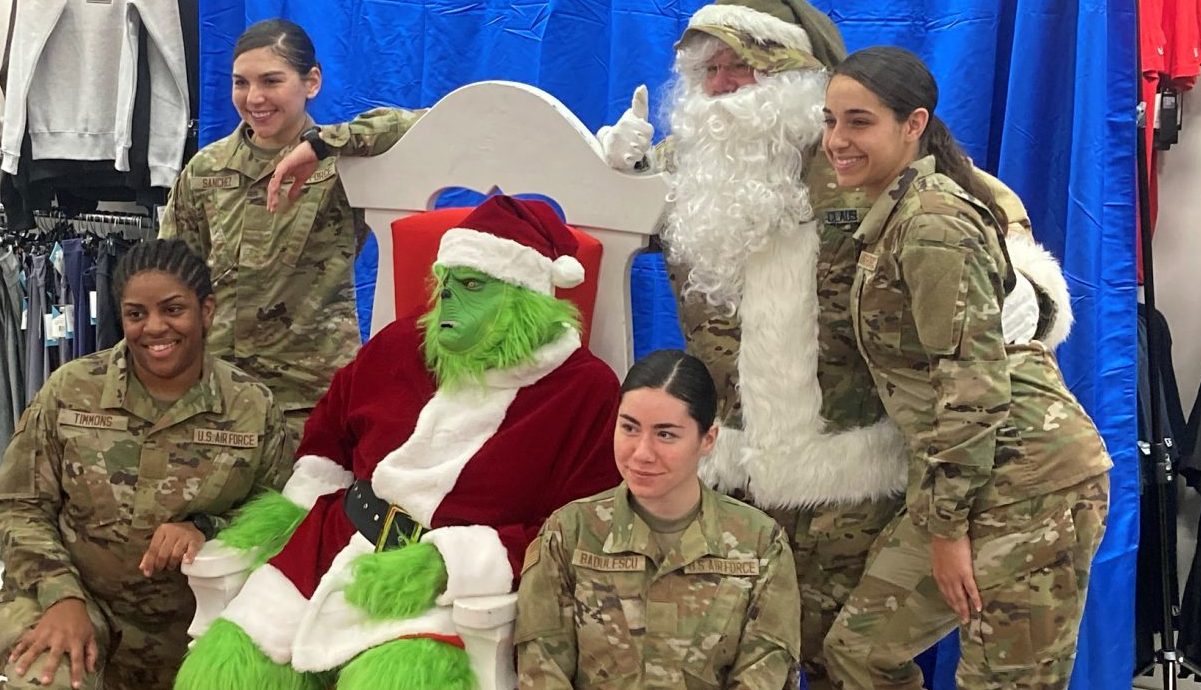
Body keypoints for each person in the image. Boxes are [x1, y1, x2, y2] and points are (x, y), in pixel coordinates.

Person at [594, 1, 1075, 685]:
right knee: (781, 645)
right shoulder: (686, 168)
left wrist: (1024, 288)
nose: (726, 84)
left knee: (853, 654)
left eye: (747, 66)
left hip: (854, 470)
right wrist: (607, 169)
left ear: (798, 74)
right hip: (743, 470)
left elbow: (987, 219)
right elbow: (506, 152)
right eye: (713, 68)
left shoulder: (862, 158)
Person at [174, 195, 623, 690]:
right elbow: (329, 436)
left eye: (473, 286)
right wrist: (298, 509)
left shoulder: (585, 392)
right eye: (445, 284)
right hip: (330, 544)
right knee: (222, 673)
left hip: (447, 593)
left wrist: (452, 564)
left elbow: (579, 532)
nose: (448, 301)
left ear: (527, 296)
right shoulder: (399, 345)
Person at [818, 46, 1113, 689]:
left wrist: (947, 532)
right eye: (830, 119)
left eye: (858, 121)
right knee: (858, 654)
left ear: (914, 124)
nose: (836, 139)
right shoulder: (894, 212)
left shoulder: (931, 224)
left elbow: (972, 387)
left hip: (1031, 478)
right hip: (959, 479)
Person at [0, 239, 295, 690]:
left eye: (173, 310)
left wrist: (206, 527)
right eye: (136, 314)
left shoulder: (252, 407)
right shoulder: (71, 390)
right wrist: (62, 596)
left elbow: (282, 521)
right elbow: (19, 505)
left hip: (201, 618)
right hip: (76, 597)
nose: (154, 328)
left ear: (207, 310)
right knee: (43, 678)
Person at [159, 19, 423, 442]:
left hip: (310, 399)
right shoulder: (206, 170)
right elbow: (172, 280)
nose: (254, 97)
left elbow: (423, 125)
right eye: (240, 82)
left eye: (271, 81)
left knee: (297, 509)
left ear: (312, 81)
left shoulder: (341, 163)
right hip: (217, 396)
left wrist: (323, 144)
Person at [516, 349, 802, 689]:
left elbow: (764, 673)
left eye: (665, 434)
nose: (642, 453)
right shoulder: (570, 533)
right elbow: (543, 671)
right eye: (629, 428)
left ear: (707, 440)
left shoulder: (760, 544)